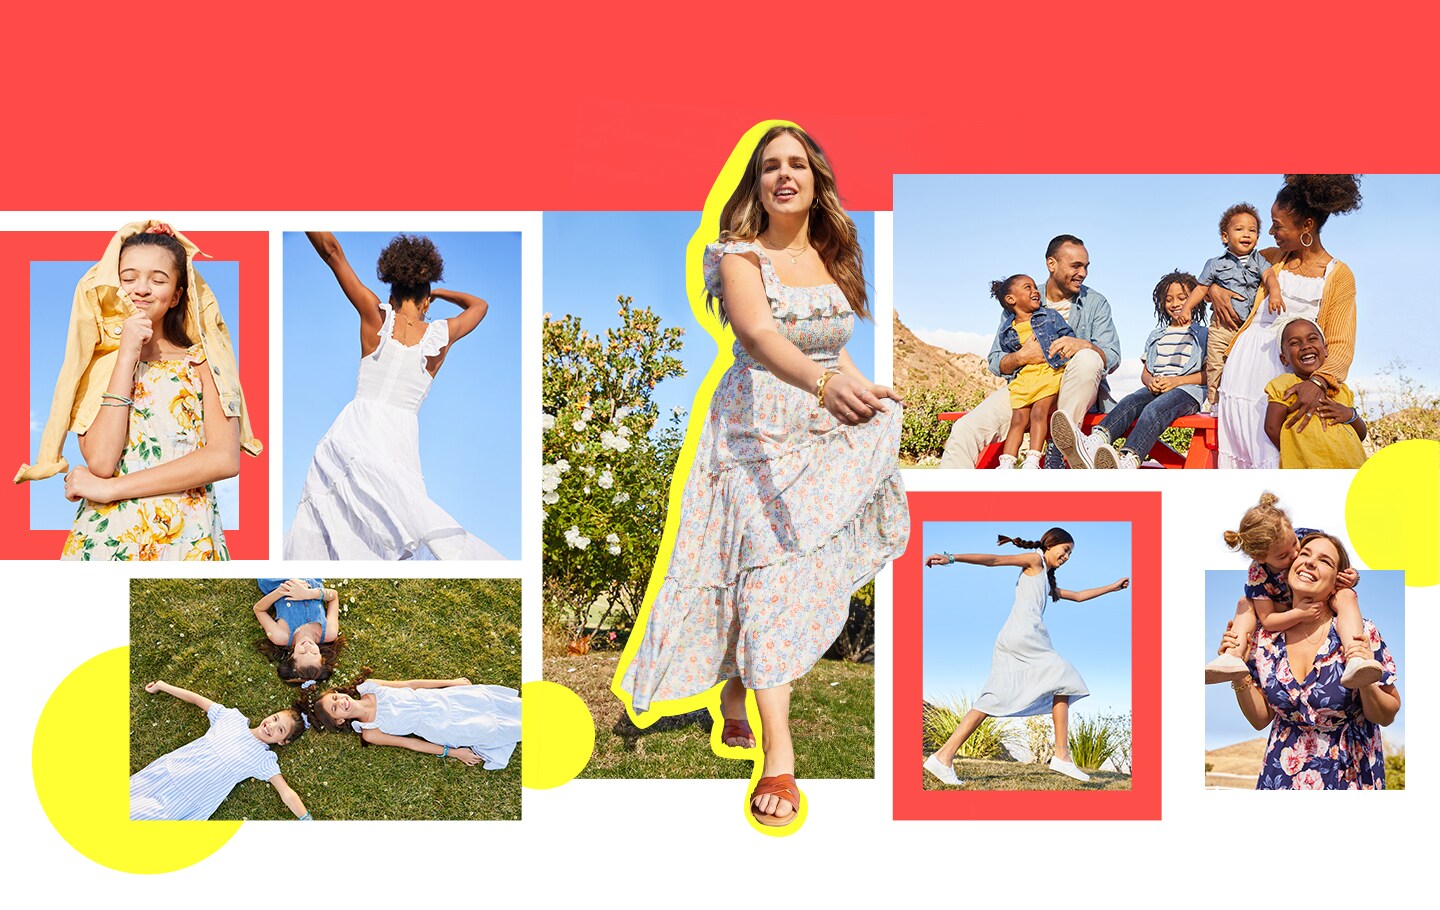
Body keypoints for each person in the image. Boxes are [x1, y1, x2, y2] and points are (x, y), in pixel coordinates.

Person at [617, 125, 909, 828]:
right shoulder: (738, 254)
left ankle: (739, 692)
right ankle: (779, 756)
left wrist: (865, 394)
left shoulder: (835, 256)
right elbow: (758, 336)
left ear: (817, 180)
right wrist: (823, 385)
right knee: (764, 570)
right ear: (757, 183)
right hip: (752, 436)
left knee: (784, 573)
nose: (785, 175)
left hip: (819, 425)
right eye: (771, 166)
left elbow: (837, 350)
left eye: (797, 164)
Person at [285, 232, 502, 560]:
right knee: (394, 530)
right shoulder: (440, 337)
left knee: (336, 520)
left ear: (393, 287)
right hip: (400, 443)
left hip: (354, 433)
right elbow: (480, 305)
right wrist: (437, 291)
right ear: (425, 298)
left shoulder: (376, 317)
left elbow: (331, 252)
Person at [50, 223, 250, 560]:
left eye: (157, 280)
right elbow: (100, 461)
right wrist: (126, 353)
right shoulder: (96, 365)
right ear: (113, 286)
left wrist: (112, 488)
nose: (141, 289)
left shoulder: (202, 362)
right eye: (128, 278)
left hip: (186, 534)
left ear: (175, 295)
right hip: (107, 536)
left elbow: (224, 458)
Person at [922, 529, 1129, 786]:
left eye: (1070, 554)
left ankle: (943, 757)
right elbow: (994, 560)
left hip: (1016, 638)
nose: (1067, 557)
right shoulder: (1034, 561)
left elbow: (1077, 597)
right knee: (1065, 676)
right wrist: (950, 558)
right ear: (1050, 545)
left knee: (995, 697)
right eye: (1065, 550)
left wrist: (1112, 587)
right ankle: (1062, 755)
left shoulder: (1045, 578)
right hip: (1024, 637)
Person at [1221, 532, 1399, 789]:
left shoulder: (1357, 632)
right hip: (1280, 775)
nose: (1310, 562)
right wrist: (1238, 674)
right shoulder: (1264, 641)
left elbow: (1387, 714)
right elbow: (1260, 719)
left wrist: (1366, 681)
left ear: (1337, 581)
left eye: (1325, 560)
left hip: (1349, 775)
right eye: (1304, 554)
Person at [1217, 175, 1362, 469]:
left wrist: (1319, 383)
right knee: (1239, 458)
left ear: (1306, 226)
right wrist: (1214, 291)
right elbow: (1221, 271)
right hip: (1241, 375)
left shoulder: (1339, 275)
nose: (1270, 232)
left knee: (1281, 457)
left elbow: (1340, 345)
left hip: (1288, 385)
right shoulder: (1270, 258)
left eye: (1278, 225)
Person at [939, 236, 1122, 469]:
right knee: (964, 429)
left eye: (1086, 266)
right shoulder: (1022, 299)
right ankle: (950, 501)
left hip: (1072, 390)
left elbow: (1112, 355)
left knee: (1088, 357)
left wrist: (1083, 345)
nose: (1083, 273)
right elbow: (996, 361)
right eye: (1076, 265)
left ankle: (1061, 443)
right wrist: (1022, 357)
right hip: (1027, 387)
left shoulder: (1095, 302)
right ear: (1051, 264)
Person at [1204, 493, 1379, 687]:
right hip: (1282, 611)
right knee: (1244, 603)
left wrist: (1352, 577)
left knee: (1346, 594)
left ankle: (1356, 657)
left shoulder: (1303, 536)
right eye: (1284, 555)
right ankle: (1232, 656)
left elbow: (1331, 557)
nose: (1296, 554)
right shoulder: (1258, 573)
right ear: (1261, 558)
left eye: (1296, 544)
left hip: (1317, 600)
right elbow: (1268, 620)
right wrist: (1299, 613)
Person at [1052, 271, 1207, 469]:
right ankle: (1094, 442)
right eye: (1169, 299)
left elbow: (1207, 375)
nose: (1175, 304)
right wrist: (1151, 382)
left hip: (1186, 392)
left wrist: (1176, 382)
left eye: (1182, 298)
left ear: (1195, 299)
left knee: (1153, 411)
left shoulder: (1204, 334)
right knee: (1129, 402)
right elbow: (1145, 373)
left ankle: (1129, 459)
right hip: (1156, 388)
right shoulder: (1157, 335)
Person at [130, 680, 311, 820]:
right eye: (275, 718)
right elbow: (196, 699)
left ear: (283, 741)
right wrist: (162, 686)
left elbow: (286, 792)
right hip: (167, 772)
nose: (271, 725)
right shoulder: (231, 718)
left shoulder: (263, 759)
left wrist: (306, 819)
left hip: (189, 798)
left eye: (280, 729)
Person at [308, 668, 521, 770]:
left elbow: (411, 684)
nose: (341, 702)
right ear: (338, 721)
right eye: (335, 708)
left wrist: (451, 682)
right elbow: (410, 743)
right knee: (493, 728)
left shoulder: (372, 686)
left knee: (492, 703)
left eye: (335, 698)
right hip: (442, 726)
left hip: (443, 699)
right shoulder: (371, 731)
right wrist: (455, 753)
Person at [1183, 203, 1285, 414]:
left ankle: (1245, 404)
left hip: (1247, 329)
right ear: (1224, 236)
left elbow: (1269, 277)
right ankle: (1215, 401)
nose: (1246, 234)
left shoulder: (1260, 260)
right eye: (1239, 229)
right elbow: (1201, 289)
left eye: (1252, 230)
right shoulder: (1214, 264)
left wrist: (1275, 293)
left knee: (1244, 367)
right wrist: (1187, 308)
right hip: (1221, 327)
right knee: (1216, 363)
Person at [990, 275, 1073, 469]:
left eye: (1035, 287)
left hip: (1048, 373)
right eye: (1028, 287)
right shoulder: (1007, 329)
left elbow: (1068, 337)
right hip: (1025, 378)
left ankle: (1033, 459)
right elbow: (1006, 355)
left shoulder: (1050, 316)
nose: (1035, 291)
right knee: (1017, 420)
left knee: (1038, 413)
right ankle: (1007, 463)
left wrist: (1064, 355)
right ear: (1011, 300)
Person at [1264, 318, 1366, 468]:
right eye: (1295, 343)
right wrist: (1294, 451)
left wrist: (1350, 415)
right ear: (1284, 359)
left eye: (1312, 339)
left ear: (1326, 350)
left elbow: (1361, 434)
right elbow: (1272, 427)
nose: (1305, 346)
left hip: (1351, 465)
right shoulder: (1285, 384)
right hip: (1309, 467)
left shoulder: (1340, 389)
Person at [253, 578, 346, 686]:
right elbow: (333, 596)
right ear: (321, 656)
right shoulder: (329, 633)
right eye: (314, 653)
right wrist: (309, 594)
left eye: (302, 652)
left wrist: (283, 590)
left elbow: (258, 609)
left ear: (292, 657)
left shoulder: (281, 636)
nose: (307, 647)